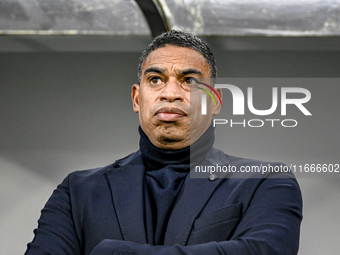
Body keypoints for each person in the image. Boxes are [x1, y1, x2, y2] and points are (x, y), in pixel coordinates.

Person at [25, 30, 302, 255]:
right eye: (155, 79)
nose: (170, 93)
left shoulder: (265, 182)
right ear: (137, 98)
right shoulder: (78, 192)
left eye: (189, 81)